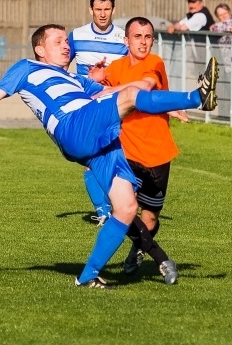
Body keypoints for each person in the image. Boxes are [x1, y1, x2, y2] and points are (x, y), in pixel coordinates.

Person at [0, 24, 219, 289]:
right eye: (58, 41)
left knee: (127, 207)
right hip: (72, 126)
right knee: (131, 97)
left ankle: (87, 276)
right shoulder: (26, 68)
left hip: (96, 138)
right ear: (40, 49)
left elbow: (113, 92)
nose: (66, 46)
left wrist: (164, 105)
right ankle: (197, 97)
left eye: (66, 41)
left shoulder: (76, 79)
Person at [89, 17, 185, 277]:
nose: (143, 42)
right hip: (125, 153)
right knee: (123, 208)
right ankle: (160, 257)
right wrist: (95, 78)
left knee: (149, 219)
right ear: (126, 40)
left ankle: (139, 247)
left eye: (148, 37)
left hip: (157, 152)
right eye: (137, 36)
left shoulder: (154, 62)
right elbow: (95, 90)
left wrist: (109, 90)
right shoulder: (116, 67)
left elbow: (145, 86)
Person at [68, 0, 128, 224]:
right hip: (88, 108)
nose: (102, 14)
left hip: (116, 106)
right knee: (92, 158)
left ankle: (115, 206)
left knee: (119, 157)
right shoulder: (77, 36)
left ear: (114, 10)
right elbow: (62, 65)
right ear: (90, 9)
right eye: (98, 9)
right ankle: (104, 211)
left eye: (107, 9)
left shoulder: (123, 39)